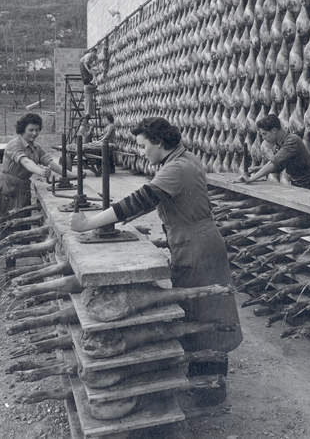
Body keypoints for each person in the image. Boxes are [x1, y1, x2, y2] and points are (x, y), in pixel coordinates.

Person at [71, 117, 242, 408]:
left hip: (197, 246)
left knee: (205, 311)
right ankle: (204, 382)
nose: (140, 152)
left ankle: (210, 390)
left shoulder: (177, 168)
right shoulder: (182, 159)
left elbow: (140, 200)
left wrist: (87, 223)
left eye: (142, 146)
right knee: (197, 311)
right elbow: (155, 200)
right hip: (193, 240)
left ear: (159, 143)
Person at [0, 113, 64, 293]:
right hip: (4, 189)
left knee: (14, 232)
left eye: (37, 130)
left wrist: (75, 175)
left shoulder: (36, 148)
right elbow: (25, 162)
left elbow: (52, 163)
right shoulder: (14, 145)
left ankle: (10, 273)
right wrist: (40, 171)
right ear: (22, 129)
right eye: (31, 130)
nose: (34, 133)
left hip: (21, 192)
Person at [238, 114, 310, 190]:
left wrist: (251, 179)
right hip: (297, 182)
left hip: (309, 184)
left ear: (274, 130)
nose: (263, 137)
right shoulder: (280, 143)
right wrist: (256, 169)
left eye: (264, 134)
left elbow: (273, 163)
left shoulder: (292, 141)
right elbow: (280, 166)